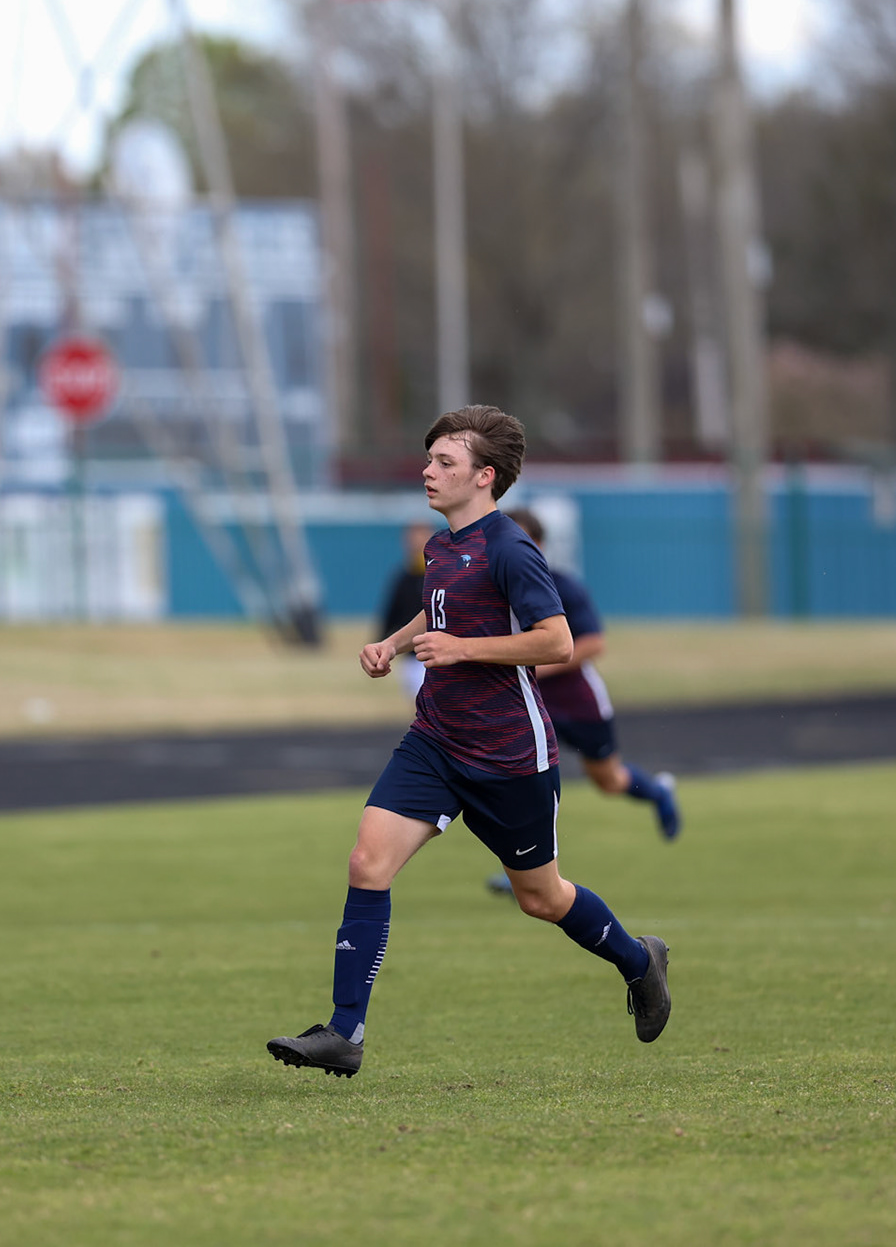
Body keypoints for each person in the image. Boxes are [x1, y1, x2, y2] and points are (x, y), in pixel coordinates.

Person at [266, 406, 671, 1079]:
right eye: (429, 460)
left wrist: (463, 650)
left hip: (510, 756)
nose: (428, 471)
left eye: (444, 463)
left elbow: (557, 641)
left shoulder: (512, 547)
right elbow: (442, 607)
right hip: (434, 741)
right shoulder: (442, 545)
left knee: (541, 898)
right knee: (368, 862)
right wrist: (392, 644)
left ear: (485, 477)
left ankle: (639, 961)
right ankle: (344, 1032)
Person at [479, 510, 679, 900]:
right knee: (524, 783)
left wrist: (533, 664)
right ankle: (526, 870)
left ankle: (656, 792)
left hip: (579, 704)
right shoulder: (493, 591)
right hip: (529, 706)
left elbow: (593, 644)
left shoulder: (561, 585)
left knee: (609, 780)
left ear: (536, 546)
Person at [375, 522, 435, 699]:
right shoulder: (403, 578)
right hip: (412, 657)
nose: (416, 542)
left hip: (439, 653)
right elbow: (391, 613)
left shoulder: (440, 574)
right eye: (412, 538)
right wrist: (382, 643)